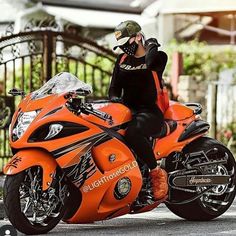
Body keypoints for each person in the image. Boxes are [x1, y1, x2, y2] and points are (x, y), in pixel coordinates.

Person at [108, 20, 168, 201]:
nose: (124, 49)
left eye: (127, 43)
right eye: (121, 46)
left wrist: (151, 46)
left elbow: (150, 63)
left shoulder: (158, 57)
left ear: (138, 37)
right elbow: (114, 88)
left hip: (150, 111)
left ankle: (156, 173)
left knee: (133, 132)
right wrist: (114, 100)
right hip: (127, 111)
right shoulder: (122, 60)